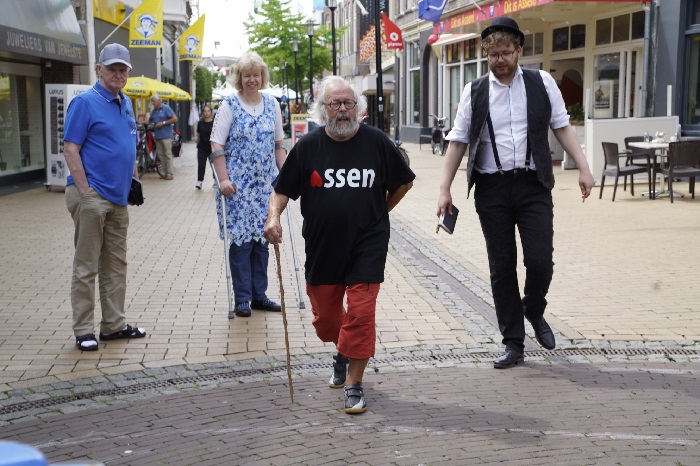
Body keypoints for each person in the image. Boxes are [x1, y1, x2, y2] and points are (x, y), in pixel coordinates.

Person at [436, 18, 594, 369]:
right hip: (491, 188)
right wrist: (444, 188)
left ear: (519, 51)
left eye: (506, 53)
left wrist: (583, 167)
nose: (499, 60)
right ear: (486, 55)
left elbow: (562, 126)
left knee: (540, 260)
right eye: (492, 55)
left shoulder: (541, 83)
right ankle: (513, 341)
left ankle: (533, 308)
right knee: (501, 265)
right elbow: (458, 140)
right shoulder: (474, 90)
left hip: (533, 183)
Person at [263, 76, 415, 414]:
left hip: (368, 243)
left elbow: (404, 182)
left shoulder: (376, 142)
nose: (343, 110)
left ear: (358, 108)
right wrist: (273, 217)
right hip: (323, 245)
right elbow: (282, 189)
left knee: (361, 313)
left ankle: (354, 384)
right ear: (323, 109)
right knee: (327, 321)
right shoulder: (308, 147)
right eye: (335, 104)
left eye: (348, 103)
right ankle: (343, 351)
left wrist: (380, 211)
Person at [63, 43, 147, 351]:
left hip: (118, 197)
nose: (117, 74)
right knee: (87, 265)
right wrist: (86, 193)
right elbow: (70, 149)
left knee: (116, 263)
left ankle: (113, 325)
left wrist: (133, 180)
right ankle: (84, 330)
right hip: (92, 195)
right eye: (111, 68)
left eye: (122, 69)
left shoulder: (125, 103)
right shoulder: (84, 102)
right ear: (99, 69)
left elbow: (126, 146)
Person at [209, 50, 285, 318]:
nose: (251, 79)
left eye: (256, 75)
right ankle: (242, 297)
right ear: (239, 78)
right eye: (246, 75)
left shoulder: (272, 104)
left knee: (263, 240)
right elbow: (216, 143)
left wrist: (284, 175)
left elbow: (278, 144)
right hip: (238, 187)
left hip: (264, 185)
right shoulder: (230, 104)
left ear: (262, 77)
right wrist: (224, 179)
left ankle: (259, 295)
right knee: (241, 243)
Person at [148, 94, 178, 180]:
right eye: (151, 101)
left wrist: (163, 123)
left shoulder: (166, 108)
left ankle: (170, 173)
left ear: (159, 101)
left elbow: (175, 119)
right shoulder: (154, 110)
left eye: (153, 101)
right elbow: (150, 120)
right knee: (161, 155)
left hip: (166, 136)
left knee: (168, 154)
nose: (152, 103)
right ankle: (165, 173)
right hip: (158, 136)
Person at [195, 105, 214, 189]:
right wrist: (197, 142)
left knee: (214, 165)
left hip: (212, 147)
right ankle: (199, 181)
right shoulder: (200, 122)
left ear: (211, 112)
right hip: (202, 147)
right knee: (201, 165)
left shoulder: (215, 123)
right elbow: (199, 133)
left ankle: (216, 180)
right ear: (203, 113)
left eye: (208, 111)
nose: (206, 113)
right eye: (205, 111)